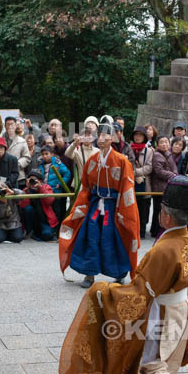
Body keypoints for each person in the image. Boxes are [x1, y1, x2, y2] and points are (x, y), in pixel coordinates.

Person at [58, 175, 188, 374]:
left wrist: (105, 291)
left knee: (150, 362)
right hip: (180, 306)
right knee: (159, 364)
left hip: (158, 310)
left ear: (165, 216)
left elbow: (140, 292)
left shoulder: (163, 249)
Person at [59, 120, 140, 288]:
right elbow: (86, 187)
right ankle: (89, 274)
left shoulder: (122, 161)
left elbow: (127, 188)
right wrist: (81, 206)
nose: (101, 138)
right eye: (100, 135)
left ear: (112, 138)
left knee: (114, 238)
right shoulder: (92, 160)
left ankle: (119, 273)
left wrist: (125, 211)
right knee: (91, 235)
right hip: (96, 204)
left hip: (114, 205)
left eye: (105, 135)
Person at [126, 127, 154, 238]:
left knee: (143, 207)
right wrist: (134, 174)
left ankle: (142, 230)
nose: (138, 137)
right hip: (130, 181)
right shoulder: (128, 148)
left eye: (140, 135)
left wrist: (136, 172)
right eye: (136, 135)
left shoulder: (149, 151)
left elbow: (149, 167)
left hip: (144, 181)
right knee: (131, 206)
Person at [20, 168, 58, 241]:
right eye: (31, 180)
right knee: (28, 209)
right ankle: (30, 231)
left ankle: (41, 233)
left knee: (47, 235)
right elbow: (23, 205)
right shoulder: (26, 190)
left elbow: (49, 201)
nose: (33, 182)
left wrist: (40, 188)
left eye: (35, 180)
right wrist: (27, 189)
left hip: (45, 219)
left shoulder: (46, 187)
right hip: (33, 219)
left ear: (40, 181)